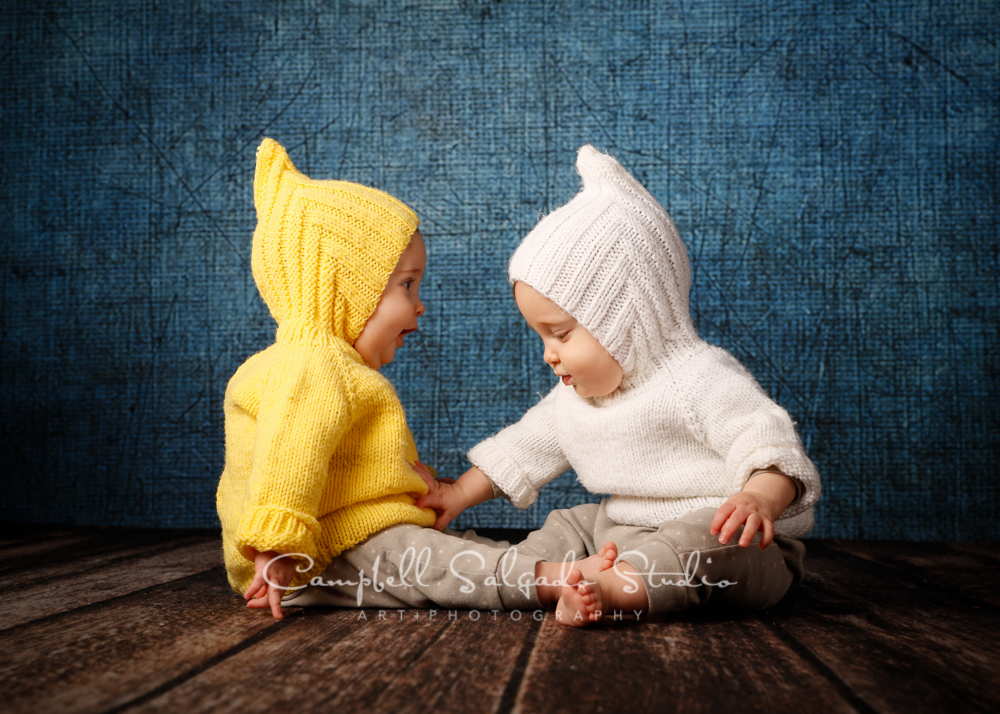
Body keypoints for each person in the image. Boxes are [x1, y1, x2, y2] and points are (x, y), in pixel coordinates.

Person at [417, 145, 822, 625]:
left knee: (703, 541)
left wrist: (760, 497)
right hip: (627, 529)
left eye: (561, 333)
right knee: (574, 522)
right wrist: (457, 495)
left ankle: (608, 589)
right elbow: (523, 448)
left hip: (741, 542)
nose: (549, 353)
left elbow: (768, 444)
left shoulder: (698, 377)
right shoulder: (575, 397)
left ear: (626, 322)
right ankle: (543, 574)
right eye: (541, 335)